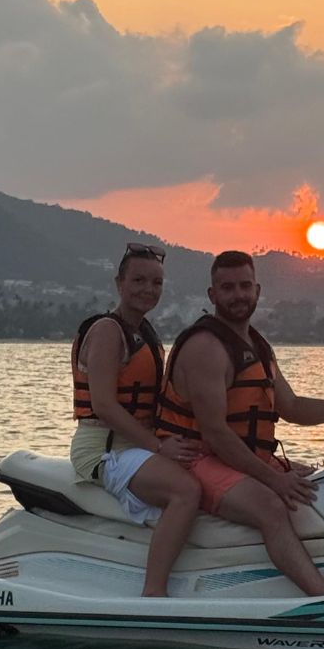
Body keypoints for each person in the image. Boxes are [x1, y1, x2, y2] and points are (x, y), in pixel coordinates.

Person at [155, 250, 324, 596]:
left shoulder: (258, 346)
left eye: (245, 286)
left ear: (258, 291)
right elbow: (216, 434)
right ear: (212, 295)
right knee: (271, 507)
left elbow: (291, 407)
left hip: (237, 455)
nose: (238, 295)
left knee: (323, 480)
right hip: (196, 457)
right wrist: (274, 479)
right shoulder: (206, 347)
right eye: (228, 287)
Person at [70, 242, 201, 597]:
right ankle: (154, 593)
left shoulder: (145, 334)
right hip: (103, 449)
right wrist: (160, 447)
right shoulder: (107, 332)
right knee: (186, 492)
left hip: (136, 447)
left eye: (156, 283)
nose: (148, 289)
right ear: (119, 283)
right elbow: (105, 406)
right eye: (139, 280)